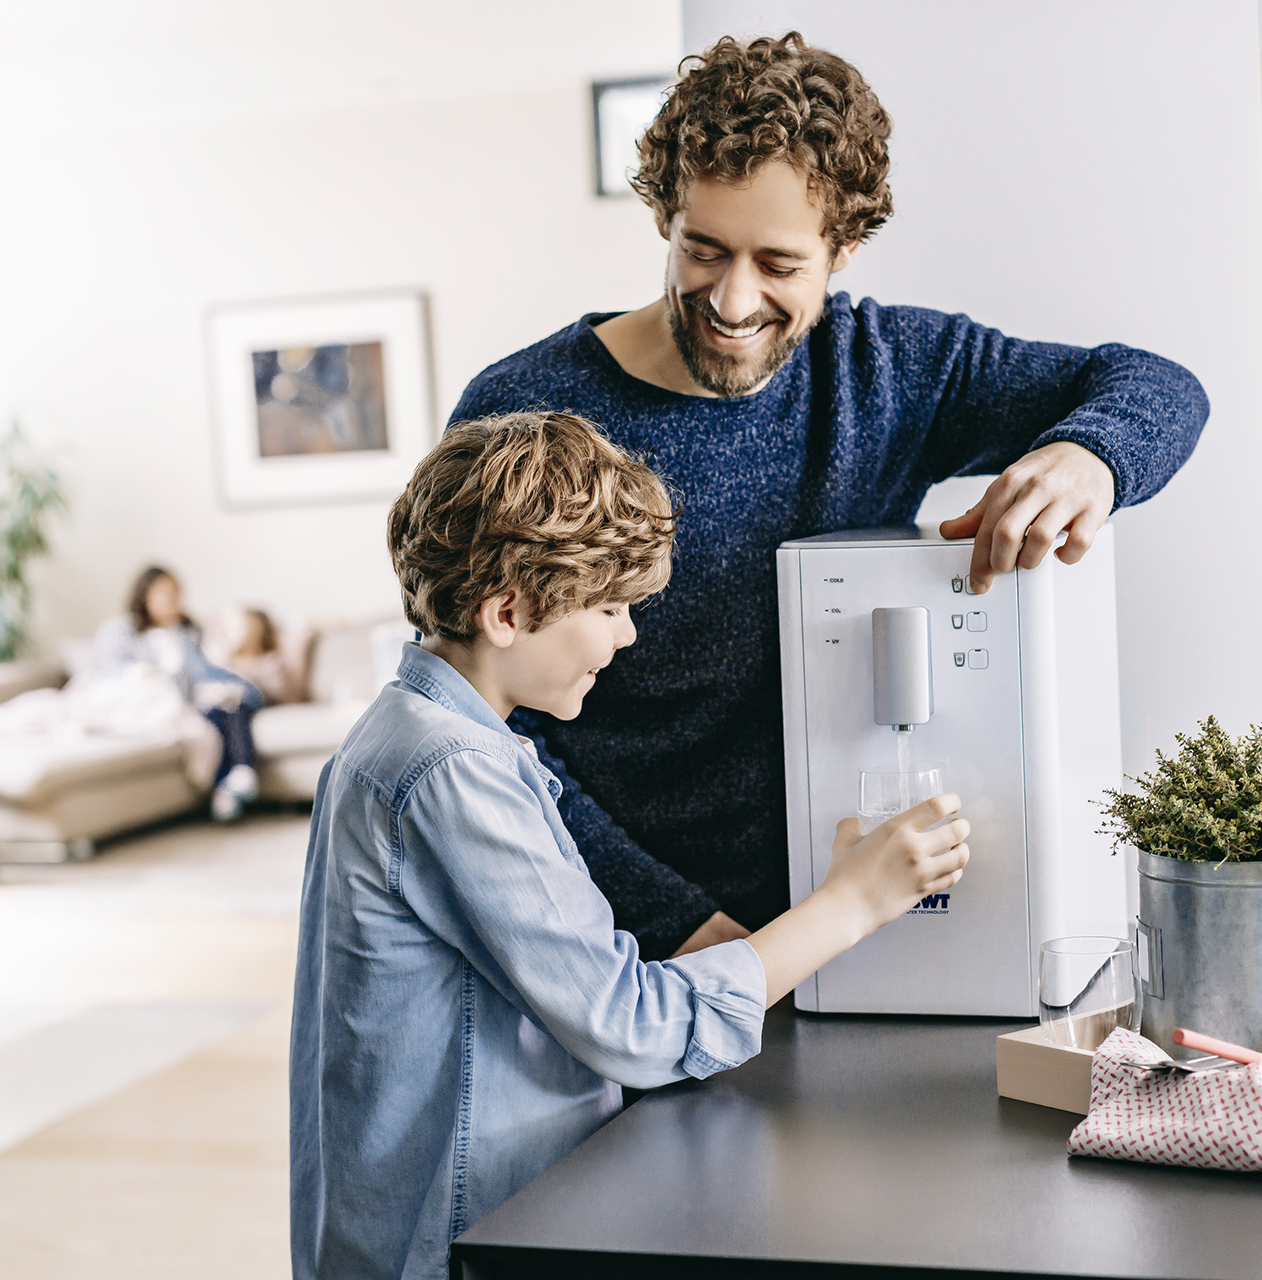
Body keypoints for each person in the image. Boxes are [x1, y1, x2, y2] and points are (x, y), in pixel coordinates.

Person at [449, 32, 1211, 961]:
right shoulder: (521, 413)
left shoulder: (889, 371)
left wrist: (1088, 457)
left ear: (844, 247)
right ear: (664, 218)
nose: (732, 302)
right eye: (703, 250)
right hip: (605, 948)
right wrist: (678, 927)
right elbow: (482, 721)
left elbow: (1159, 385)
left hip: (855, 931)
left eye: (778, 265)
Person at [288, 412, 970, 1280]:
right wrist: (852, 903)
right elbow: (629, 1023)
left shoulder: (408, 734)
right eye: (609, 608)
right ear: (507, 612)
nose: (626, 635)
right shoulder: (452, 769)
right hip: (459, 1238)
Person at [93, 566, 263, 821]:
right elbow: (108, 670)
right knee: (212, 716)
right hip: (145, 701)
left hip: (187, 704)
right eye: (166, 594)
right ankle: (233, 780)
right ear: (145, 595)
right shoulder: (119, 630)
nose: (174, 601)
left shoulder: (184, 636)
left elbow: (204, 672)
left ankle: (234, 782)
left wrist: (244, 688)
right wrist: (144, 675)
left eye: (177, 594)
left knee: (229, 706)